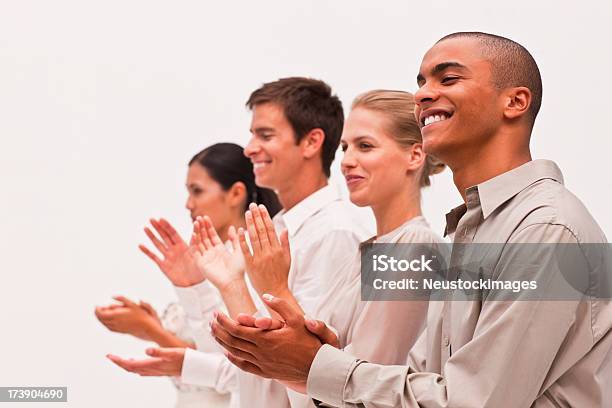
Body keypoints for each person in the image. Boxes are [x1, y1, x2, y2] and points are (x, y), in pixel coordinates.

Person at [210, 32, 612, 407]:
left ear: (515, 102)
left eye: (448, 78)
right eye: (420, 82)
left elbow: (474, 400)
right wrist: (316, 358)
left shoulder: (546, 229)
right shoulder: (468, 234)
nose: (423, 94)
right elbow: (425, 376)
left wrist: (314, 358)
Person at [107, 78, 372, 408]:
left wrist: (187, 362)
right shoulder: (275, 229)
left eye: (265, 135)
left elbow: (308, 377)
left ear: (311, 142)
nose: (249, 148)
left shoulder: (335, 232)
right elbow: (252, 364)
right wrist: (201, 286)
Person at [97, 142, 281, 408]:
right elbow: (212, 349)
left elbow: (240, 364)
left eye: (197, 191)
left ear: (235, 194)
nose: (188, 204)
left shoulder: (255, 260)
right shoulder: (209, 259)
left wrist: (151, 330)